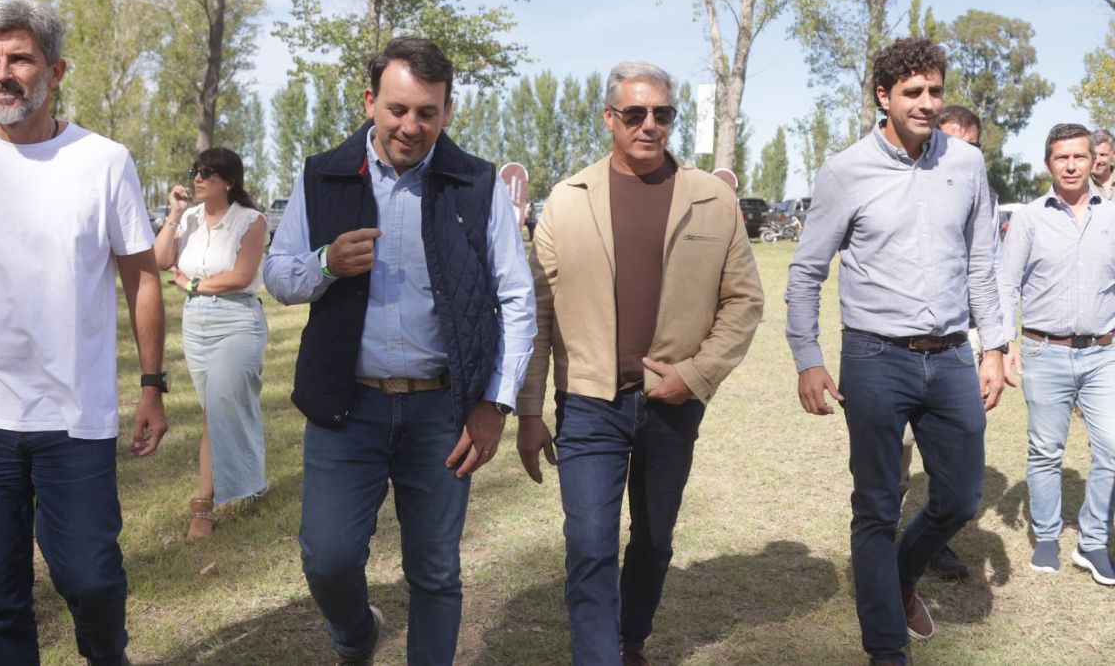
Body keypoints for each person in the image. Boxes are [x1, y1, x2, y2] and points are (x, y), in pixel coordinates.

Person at [263, 37, 535, 665]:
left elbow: (518, 298)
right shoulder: (321, 174)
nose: (411, 126)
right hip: (346, 406)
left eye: (427, 112)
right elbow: (277, 275)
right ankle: (357, 636)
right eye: (397, 109)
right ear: (370, 101)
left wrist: (494, 403)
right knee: (327, 559)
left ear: (447, 111)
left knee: (436, 572)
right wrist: (325, 263)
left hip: (442, 412)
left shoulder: (477, 183)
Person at [0, 0, 167, 665]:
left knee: (92, 578)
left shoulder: (104, 161)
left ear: (55, 70)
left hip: (76, 416)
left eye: (20, 59)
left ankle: (106, 654)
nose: (2, 73)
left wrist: (152, 385)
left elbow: (142, 279)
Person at [516, 60, 764, 666]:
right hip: (588, 404)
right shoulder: (567, 202)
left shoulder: (713, 199)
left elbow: (744, 302)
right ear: (610, 118)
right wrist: (529, 411)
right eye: (635, 113)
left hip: (672, 402)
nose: (650, 124)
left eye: (662, 113)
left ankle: (630, 641)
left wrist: (695, 376)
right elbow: (538, 315)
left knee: (653, 541)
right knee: (589, 546)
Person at [786, 38, 1007, 666]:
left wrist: (994, 347)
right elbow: (806, 272)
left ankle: (898, 578)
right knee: (877, 508)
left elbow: (982, 262)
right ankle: (887, 650)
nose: (927, 103)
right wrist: (808, 357)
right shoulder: (845, 171)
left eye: (935, 91)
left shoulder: (966, 164)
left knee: (959, 498)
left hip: (953, 355)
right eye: (913, 92)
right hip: (875, 357)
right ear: (884, 96)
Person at [998, 123, 1115, 585]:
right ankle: (1047, 536)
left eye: (1079, 156)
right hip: (1044, 351)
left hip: (1104, 354)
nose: (1071, 165)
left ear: (1094, 161)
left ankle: (1092, 541)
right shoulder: (1029, 218)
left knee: (1112, 448)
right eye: (1061, 157)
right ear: (1048, 163)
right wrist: (1005, 343)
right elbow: (1006, 283)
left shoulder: (1113, 215)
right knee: (1046, 451)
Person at [895, 104, 996, 582]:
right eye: (954, 140)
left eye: (971, 145)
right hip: (899, 345)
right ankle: (885, 542)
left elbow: (987, 269)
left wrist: (994, 345)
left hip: (961, 341)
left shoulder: (981, 192)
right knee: (896, 456)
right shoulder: (907, 184)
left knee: (950, 455)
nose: (961, 152)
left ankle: (934, 545)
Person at [153, 147, 268, 542]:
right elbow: (160, 259)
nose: (198, 178)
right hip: (196, 324)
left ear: (229, 181)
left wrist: (193, 285)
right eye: (196, 171)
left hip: (237, 320)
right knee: (218, 408)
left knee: (218, 405)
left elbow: (241, 276)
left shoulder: (251, 221)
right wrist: (174, 213)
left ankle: (202, 508)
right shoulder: (189, 219)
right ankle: (252, 480)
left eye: (208, 173)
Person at [1089, 128, 1114, 199]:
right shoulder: (1081, 184)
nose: (1098, 161)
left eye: (1103, 155)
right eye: (1094, 155)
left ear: (1113, 155)